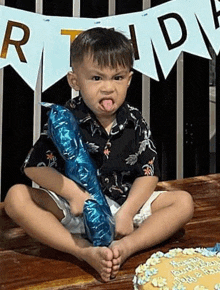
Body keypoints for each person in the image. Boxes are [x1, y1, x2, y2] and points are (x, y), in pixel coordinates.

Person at [4, 27, 194, 282]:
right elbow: (34, 167)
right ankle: (82, 251)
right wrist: (74, 195)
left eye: (117, 78)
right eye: (96, 78)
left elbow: (148, 173)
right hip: (76, 209)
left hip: (124, 207)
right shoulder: (65, 118)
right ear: (75, 81)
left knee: (183, 202)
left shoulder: (134, 120)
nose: (108, 88)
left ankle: (125, 248)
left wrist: (127, 212)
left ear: (129, 79)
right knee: (16, 197)